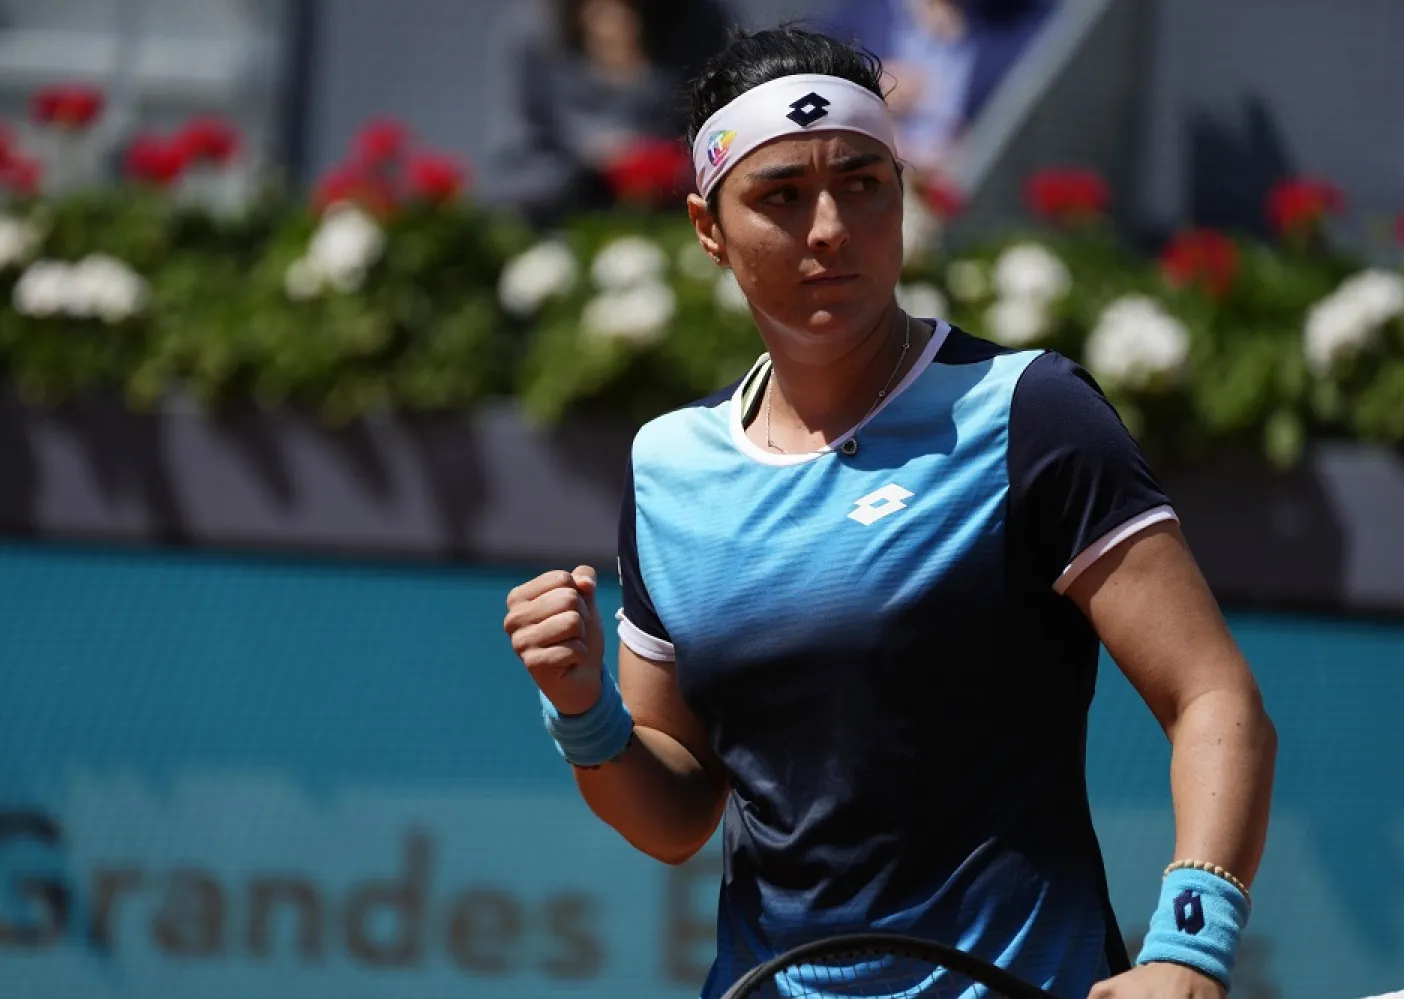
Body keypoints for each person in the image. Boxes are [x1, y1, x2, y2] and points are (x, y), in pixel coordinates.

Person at [503, 25, 1277, 999]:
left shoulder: (1029, 413)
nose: (829, 226)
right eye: (781, 196)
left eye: (862, 182)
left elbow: (1214, 698)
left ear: (901, 194)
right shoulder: (668, 467)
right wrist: (583, 710)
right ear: (709, 228)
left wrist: (1187, 950)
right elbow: (676, 811)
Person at [481, 0, 732, 227]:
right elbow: (508, 179)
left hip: (678, 227)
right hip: (564, 233)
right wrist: (590, 167)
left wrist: (661, 168)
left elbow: (724, 152)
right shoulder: (535, 33)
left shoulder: (700, 22)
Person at [821, 0, 1055, 170]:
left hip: (959, 194)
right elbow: (803, 87)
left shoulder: (1011, 24)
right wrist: (864, 88)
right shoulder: (857, 15)